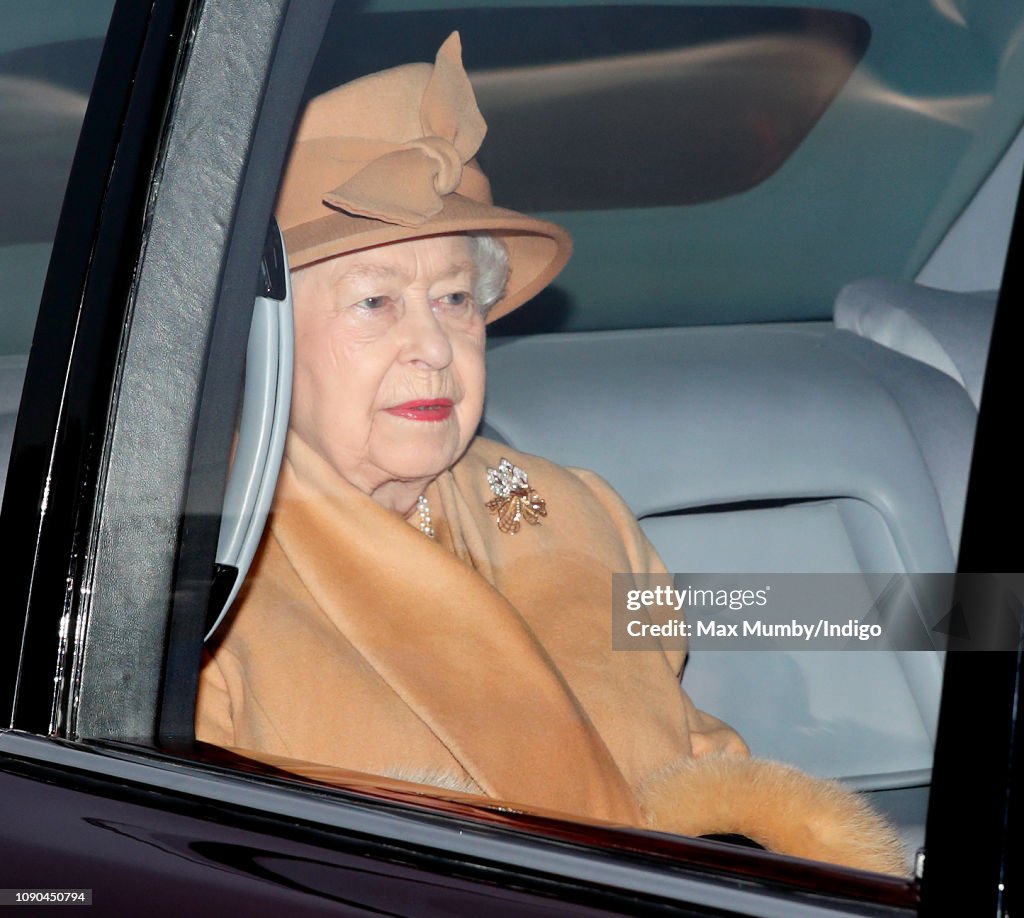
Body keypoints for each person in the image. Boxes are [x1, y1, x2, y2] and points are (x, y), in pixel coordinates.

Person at [196, 33, 906, 874]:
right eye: (376, 302)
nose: (433, 343)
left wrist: (981, 617)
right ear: (263, 337)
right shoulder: (197, 572)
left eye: (456, 297)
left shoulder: (571, 509)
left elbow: (698, 745)